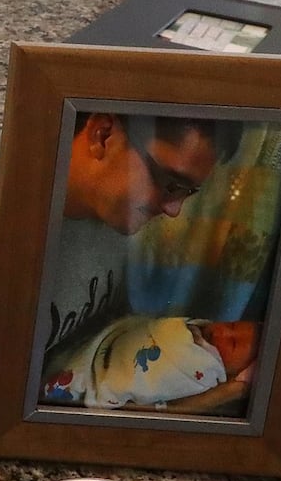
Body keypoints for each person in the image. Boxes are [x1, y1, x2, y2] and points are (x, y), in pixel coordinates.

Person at [42, 113, 239, 357]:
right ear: (103, 135)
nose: (174, 210)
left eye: (187, 193)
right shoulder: (11, 230)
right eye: (171, 184)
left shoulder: (118, 229)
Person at [40, 315, 260, 412]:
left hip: (115, 378)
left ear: (233, 374)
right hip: (111, 345)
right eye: (231, 324)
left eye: (231, 343)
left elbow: (166, 395)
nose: (221, 332)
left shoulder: (206, 374)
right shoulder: (196, 326)